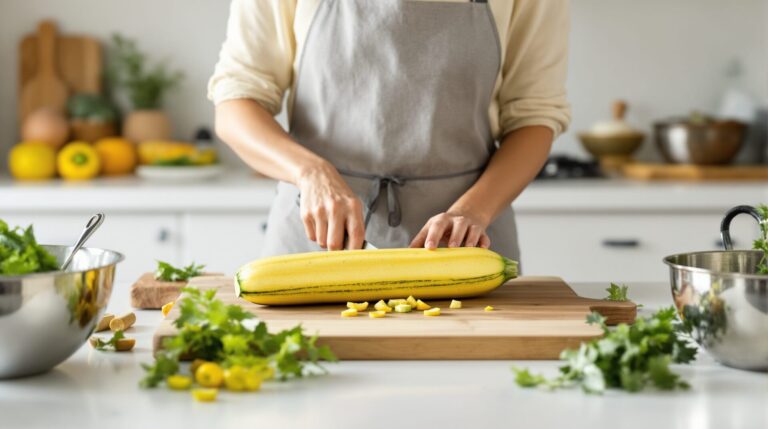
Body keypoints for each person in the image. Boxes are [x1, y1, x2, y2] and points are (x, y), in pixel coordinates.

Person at [209, 0, 571, 260]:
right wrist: (311, 173)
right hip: (315, 242)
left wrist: (473, 213)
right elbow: (236, 104)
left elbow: (533, 116)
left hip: (464, 244)